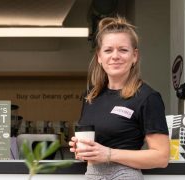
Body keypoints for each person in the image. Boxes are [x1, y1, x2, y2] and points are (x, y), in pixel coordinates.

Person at [69, 16, 170, 180]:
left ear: (134, 56)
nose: (115, 56)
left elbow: (161, 157)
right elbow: (95, 149)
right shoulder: (91, 96)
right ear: (99, 57)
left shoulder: (147, 97)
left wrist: (109, 154)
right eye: (108, 50)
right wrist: (82, 149)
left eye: (123, 50)